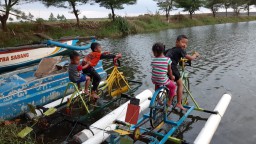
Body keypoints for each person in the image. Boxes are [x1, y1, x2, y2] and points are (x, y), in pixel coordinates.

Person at [165, 35, 199, 110]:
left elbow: (167, 56)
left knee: (171, 80)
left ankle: (171, 94)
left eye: (186, 43)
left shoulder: (170, 50)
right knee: (180, 84)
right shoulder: (180, 50)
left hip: (164, 68)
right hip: (172, 68)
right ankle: (179, 103)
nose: (184, 45)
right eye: (183, 42)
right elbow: (191, 58)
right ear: (177, 42)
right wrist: (195, 55)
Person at [151, 42, 176, 107]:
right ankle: (170, 101)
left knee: (157, 84)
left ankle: (158, 98)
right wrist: (172, 77)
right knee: (173, 87)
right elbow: (169, 71)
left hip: (154, 79)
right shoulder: (167, 59)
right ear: (163, 51)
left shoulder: (153, 60)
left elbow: (155, 69)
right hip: (163, 80)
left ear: (155, 52)